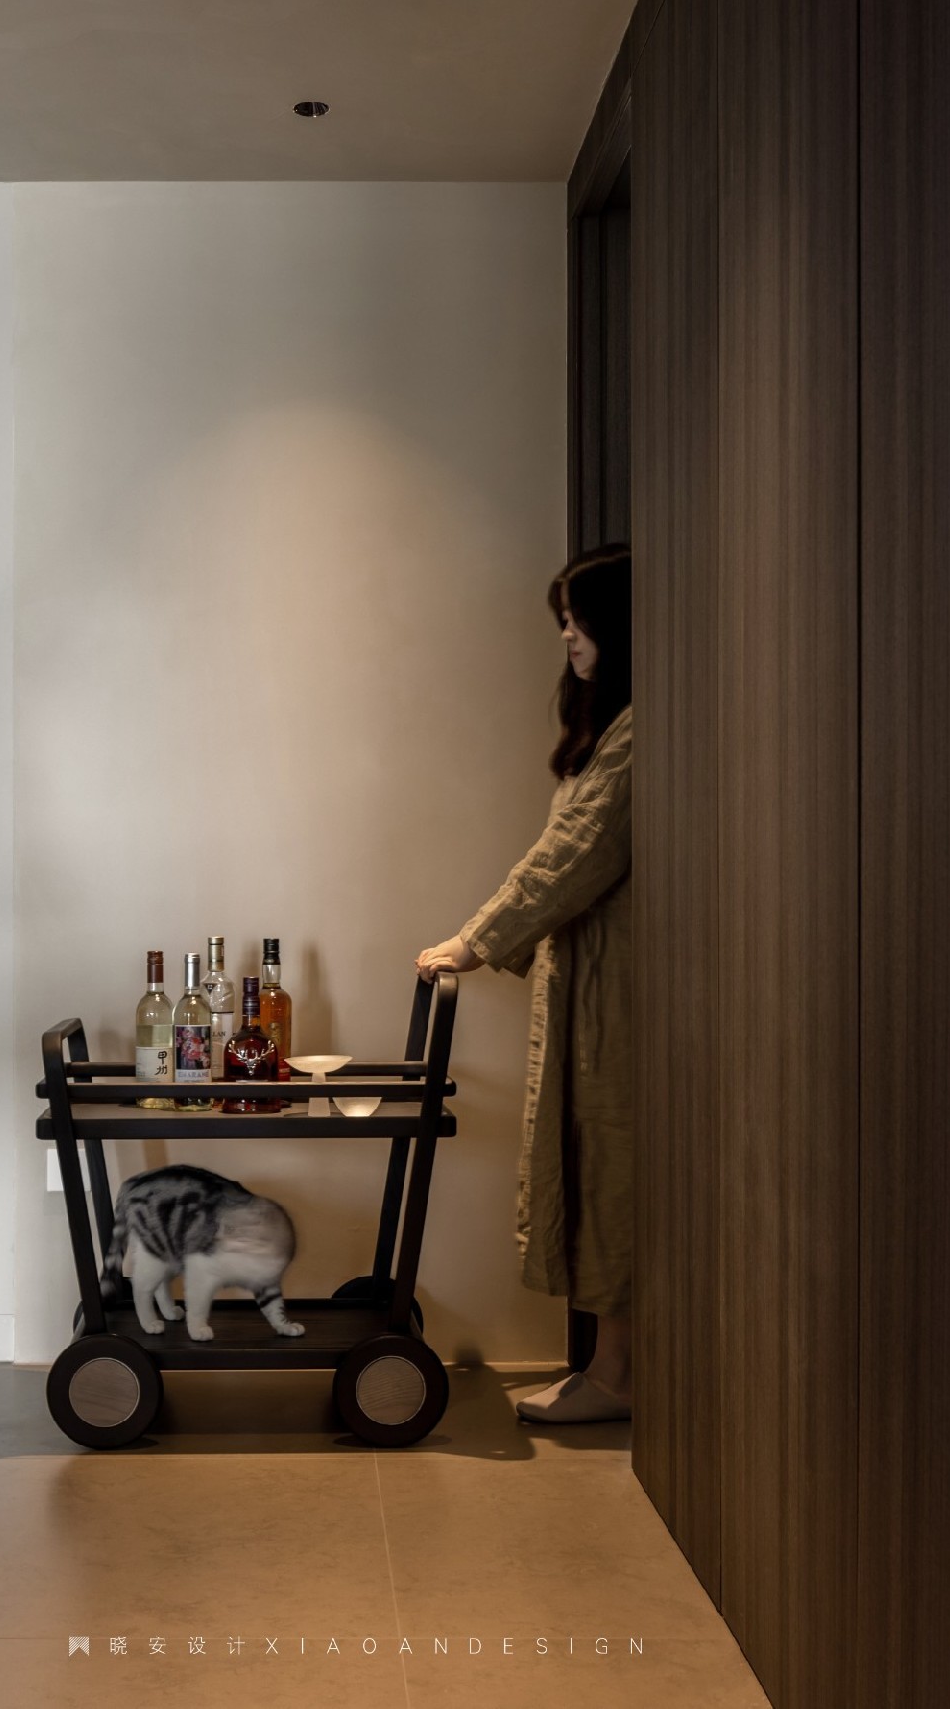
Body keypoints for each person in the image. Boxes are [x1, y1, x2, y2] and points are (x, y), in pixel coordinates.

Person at [417, 544, 633, 1424]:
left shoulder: (641, 733)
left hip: (623, 994)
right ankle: (614, 1368)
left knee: (614, 1168)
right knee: (600, 1163)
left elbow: (574, 852)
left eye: (578, 623)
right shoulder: (618, 728)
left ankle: (617, 1374)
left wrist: (474, 942)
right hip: (597, 981)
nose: (568, 640)